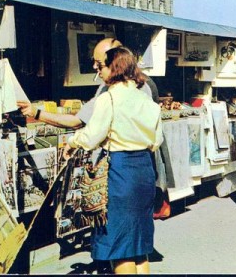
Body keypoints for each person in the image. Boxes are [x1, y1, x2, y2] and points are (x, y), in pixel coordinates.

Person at [64, 46, 163, 274]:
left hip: (121, 173)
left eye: (101, 67)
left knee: (120, 248)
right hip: (144, 171)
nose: (99, 73)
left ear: (114, 68)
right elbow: (156, 140)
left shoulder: (109, 98)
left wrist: (72, 142)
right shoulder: (147, 101)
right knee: (138, 246)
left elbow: (92, 134)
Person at [17, 37, 159, 126]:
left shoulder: (142, 88)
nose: (94, 67)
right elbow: (79, 120)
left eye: (99, 63)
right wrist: (35, 112)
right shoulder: (106, 88)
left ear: (116, 62)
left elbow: (78, 124)